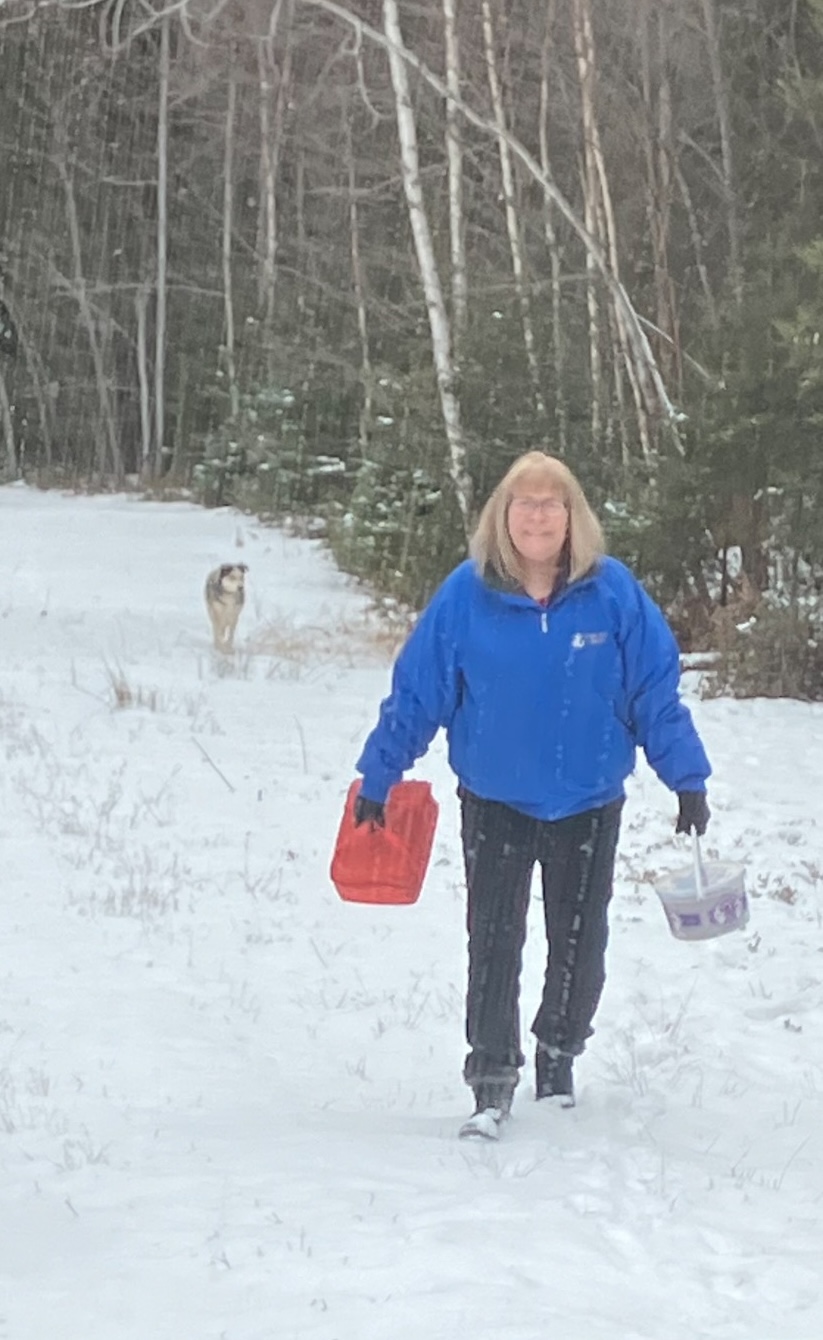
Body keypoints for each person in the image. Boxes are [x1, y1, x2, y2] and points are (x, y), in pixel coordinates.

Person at [352, 451, 711, 1137]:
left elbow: (653, 693)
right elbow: (418, 692)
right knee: (492, 941)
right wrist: (380, 774)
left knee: (579, 943)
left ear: (573, 517)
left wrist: (686, 777)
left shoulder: (612, 593)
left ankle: (557, 1058)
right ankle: (491, 1081)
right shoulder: (466, 594)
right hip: (495, 799)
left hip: (588, 800)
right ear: (503, 514)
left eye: (552, 503)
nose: (538, 516)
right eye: (526, 502)